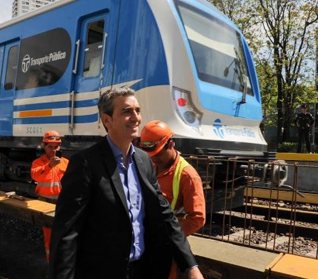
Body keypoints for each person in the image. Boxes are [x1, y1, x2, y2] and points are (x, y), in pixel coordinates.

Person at [48, 87, 204, 279]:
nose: (136, 117)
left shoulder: (144, 161)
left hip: (142, 271)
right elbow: (66, 231)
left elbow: (166, 216)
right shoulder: (85, 163)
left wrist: (190, 265)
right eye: (126, 111)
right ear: (107, 120)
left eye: (137, 111)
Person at [139, 120, 206, 279]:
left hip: (166, 245)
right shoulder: (151, 165)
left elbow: (197, 218)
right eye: (150, 156)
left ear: (171, 144)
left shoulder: (187, 176)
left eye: (158, 154)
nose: (154, 160)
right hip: (146, 240)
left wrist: (170, 238)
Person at [31, 130, 69, 261]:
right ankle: (51, 265)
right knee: (49, 236)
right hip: (45, 204)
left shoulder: (65, 163)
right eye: (50, 147)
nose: (53, 150)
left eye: (56, 147)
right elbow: (35, 175)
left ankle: (62, 264)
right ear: (44, 146)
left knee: (64, 235)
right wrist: (49, 166)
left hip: (62, 204)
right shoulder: (38, 163)